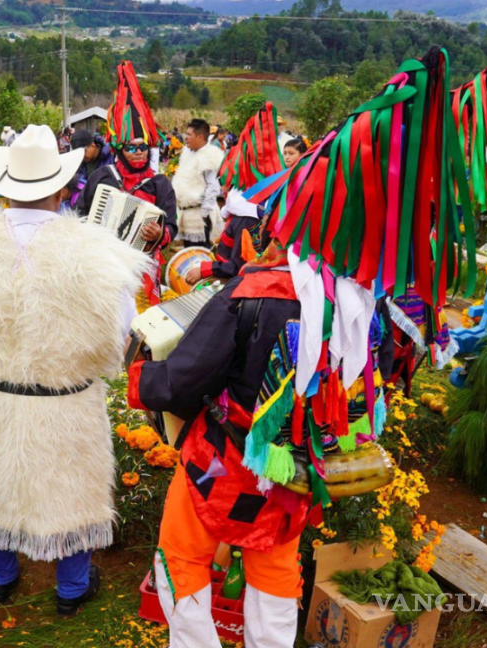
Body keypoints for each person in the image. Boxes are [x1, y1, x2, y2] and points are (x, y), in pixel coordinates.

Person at [0, 124, 151, 616]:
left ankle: (0, 579)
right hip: (69, 400)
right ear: (63, 188)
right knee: (72, 493)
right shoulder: (100, 254)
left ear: (2, 186)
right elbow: (117, 339)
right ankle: (71, 589)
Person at [127, 234, 356, 648]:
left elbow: (185, 377)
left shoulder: (253, 291)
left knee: (181, 557)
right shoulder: (358, 301)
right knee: (275, 566)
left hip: (220, 462)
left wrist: (140, 374)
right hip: (297, 470)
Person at [77, 136, 177, 303]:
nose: (138, 152)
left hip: (142, 267)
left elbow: (172, 226)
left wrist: (159, 234)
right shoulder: (102, 176)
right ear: (119, 151)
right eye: (131, 148)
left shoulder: (159, 183)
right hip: (102, 261)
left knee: (140, 320)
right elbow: (80, 211)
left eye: (143, 147)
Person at [184, 187, 264, 285]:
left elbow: (239, 266)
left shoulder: (246, 220)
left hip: (237, 284)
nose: (221, 188)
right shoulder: (239, 213)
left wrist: (204, 270)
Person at [171, 119, 225, 245]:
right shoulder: (188, 152)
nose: (186, 137)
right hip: (186, 213)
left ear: (200, 137)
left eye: (189, 134)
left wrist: (204, 213)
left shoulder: (209, 157)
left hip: (199, 215)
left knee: (200, 254)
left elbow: (213, 187)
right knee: (189, 251)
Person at [68, 130, 114, 207]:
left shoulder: (111, 156)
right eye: (78, 153)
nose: (81, 156)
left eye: (83, 152)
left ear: (92, 145)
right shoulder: (80, 161)